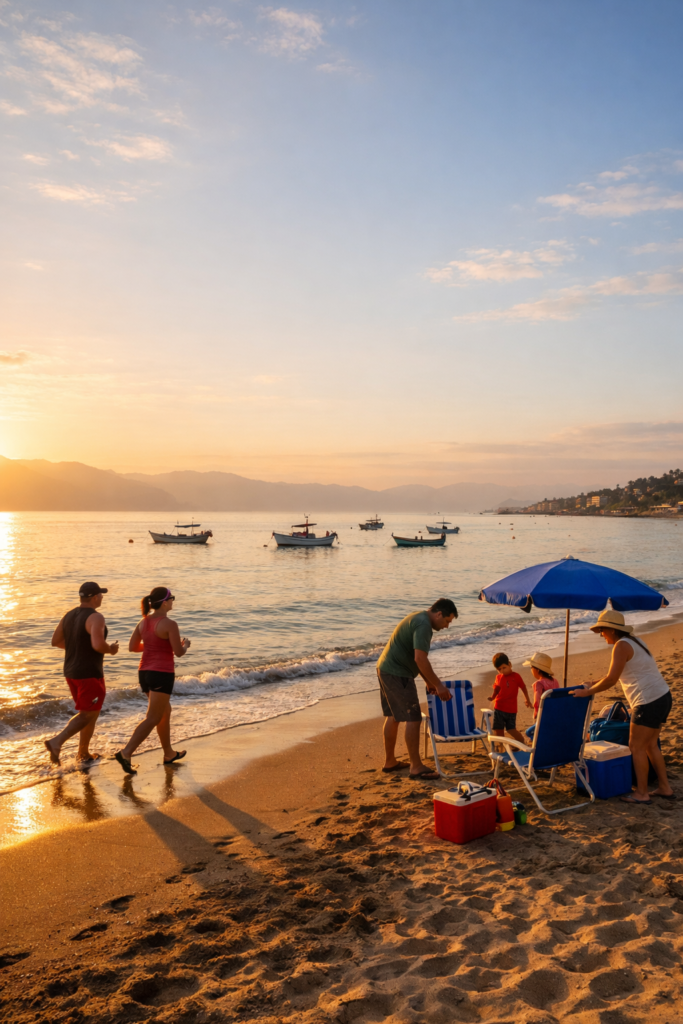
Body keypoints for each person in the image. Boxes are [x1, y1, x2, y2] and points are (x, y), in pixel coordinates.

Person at [573, 609, 674, 805]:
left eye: (602, 630)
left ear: (611, 629)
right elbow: (615, 674)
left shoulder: (620, 646)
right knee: (651, 745)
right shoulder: (635, 642)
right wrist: (593, 682)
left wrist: (587, 692)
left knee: (636, 747)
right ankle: (665, 788)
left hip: (647, 701)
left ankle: (642, 793)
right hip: (662, 696)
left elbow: (611, 679)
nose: (601, 635)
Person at [376, 598, 457, 781]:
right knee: (412, 717)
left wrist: (428, 681)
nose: (446, 626)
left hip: (385, 668)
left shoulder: (418, 617)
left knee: (393, 716)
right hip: (397, 673)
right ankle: (416, 766)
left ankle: (390, 762)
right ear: (438, 614)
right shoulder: (423, 625)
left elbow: (414, 658)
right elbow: (420, 658)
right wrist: (438, 685)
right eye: (447, 621)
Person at [114, 587, 191, 775]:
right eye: (171, 598)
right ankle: (126, 753)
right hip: (161, 673)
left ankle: (168, 753)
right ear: (164, 602)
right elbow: (178, 653)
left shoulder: (143, 622)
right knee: (153, 717)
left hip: (145, 673)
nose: (173, 601)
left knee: (165, 711)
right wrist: (185, 645)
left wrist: (152, 645)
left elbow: (132, 647)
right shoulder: (169, 624)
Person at [45, 582, 119, 766]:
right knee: (87, 714)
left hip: (71, 671)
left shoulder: (69, 615)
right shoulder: (96, 617)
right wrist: (111, 649)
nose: (101, 597)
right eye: (100, 595)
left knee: (90, 712)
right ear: (94, 597)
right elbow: (97, 645)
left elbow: (56, 641)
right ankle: (56, 742)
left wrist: (78, 647)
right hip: (89, 673)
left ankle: (83, 753)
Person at [487, 653, 532, 748]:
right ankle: (502, 748)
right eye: (499, 669)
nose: (502, 671)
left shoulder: (516, 676)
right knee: (498, 730)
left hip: (511, 709)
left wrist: (527, 699)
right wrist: (492, 697)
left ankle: (521, 742)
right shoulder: (498, 677)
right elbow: (497, 689)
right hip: (499, 707)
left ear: (509, 664)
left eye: (504, 667)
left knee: (511, 729)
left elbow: (523, 687)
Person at [523, 651, 559, 720]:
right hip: (555, 713)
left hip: (544, 716)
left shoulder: (538, 684)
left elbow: (537, 703)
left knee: (529, 731)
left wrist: (535, 715)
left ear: (538, 670)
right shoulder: (555, 681)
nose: (531, 670)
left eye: (531, 667)